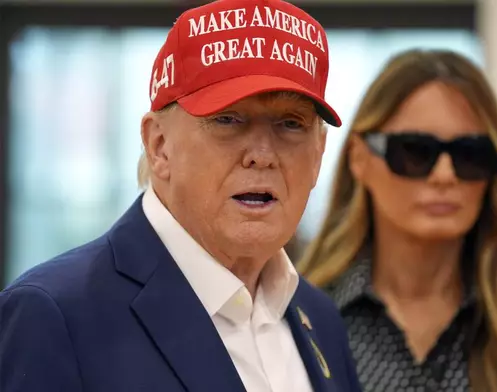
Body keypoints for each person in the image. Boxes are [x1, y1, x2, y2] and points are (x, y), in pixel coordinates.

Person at [0, 1, 362, 391]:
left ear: (319, 154)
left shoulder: (320, 319)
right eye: (228, 119)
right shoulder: (54, 315)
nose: (262, 154)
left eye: (291, 124)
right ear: (159, 146)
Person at [297, 49, 497, 392]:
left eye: (470, 154)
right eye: (416, 151)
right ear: (360, 158)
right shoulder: (297, 321)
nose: (445, 175)